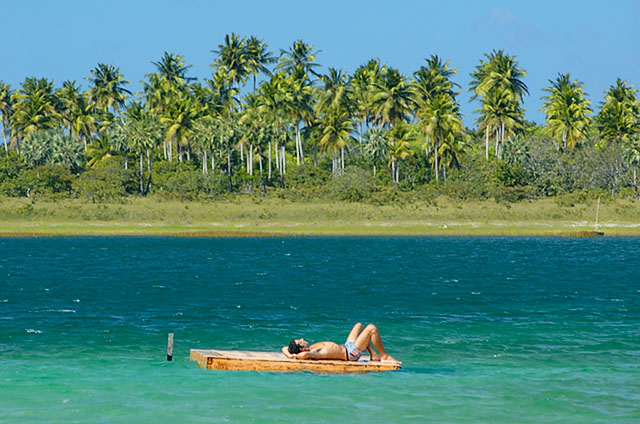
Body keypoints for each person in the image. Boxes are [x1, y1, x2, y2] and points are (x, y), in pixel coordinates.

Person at [281, 323, 400, 364]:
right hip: (350, 354)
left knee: (359, 326)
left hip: (347, 346)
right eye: (300, 341)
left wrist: (289, 354)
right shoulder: (310, 353)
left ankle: (373, 354)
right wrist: (294, 356)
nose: (302, 338)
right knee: (371, 328)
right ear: (302, 348)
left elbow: (284, 347)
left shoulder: (310, 348)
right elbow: (298, 355)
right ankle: (384, 356)